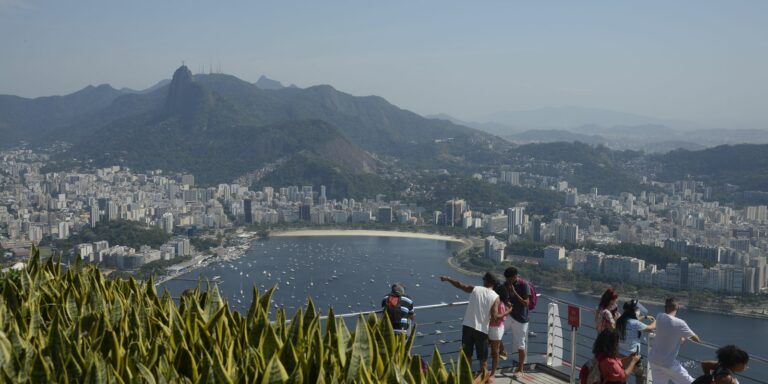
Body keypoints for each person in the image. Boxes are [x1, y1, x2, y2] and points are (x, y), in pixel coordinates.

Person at [440, 272, 500, 380]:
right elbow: (495, 316)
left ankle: (468, 378)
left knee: (467, 356)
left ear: (485, 281)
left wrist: (448, 278)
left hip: (467, 326)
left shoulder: (475, 289)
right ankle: (483, 380)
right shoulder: (495, 297)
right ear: (494, 284)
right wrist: (507, 312)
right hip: (481, 330)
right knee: (483, 359)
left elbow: (460, 285)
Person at [648, 297, 701, 384]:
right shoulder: (680, 323)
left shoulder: (660, 316)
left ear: (666, 307)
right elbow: (696, 339)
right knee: (691, 382)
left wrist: (680, 337)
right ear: (678, 307)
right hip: (668, 363)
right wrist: (683, 336)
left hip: (654, 360)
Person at [503, 266, 531, 376]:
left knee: (521, 344)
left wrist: (514, 292)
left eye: (509, 279)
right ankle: (502, 350)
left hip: (521, 319)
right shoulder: (506, 284)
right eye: (506, 279)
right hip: (510, 315)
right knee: (496, 332)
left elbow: (526, 303)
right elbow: (503, 297)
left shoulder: (524, 285)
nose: (508, 281)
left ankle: (520, 368)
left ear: (515, 277)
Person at [489, 274, 513, 379]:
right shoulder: (499, 302)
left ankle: (493, 373)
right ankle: (502, 350)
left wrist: (508, 311)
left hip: (495, 328)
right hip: (493, 328)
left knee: (494, 352)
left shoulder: (499, 304)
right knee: (494, 350)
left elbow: (499, 318)